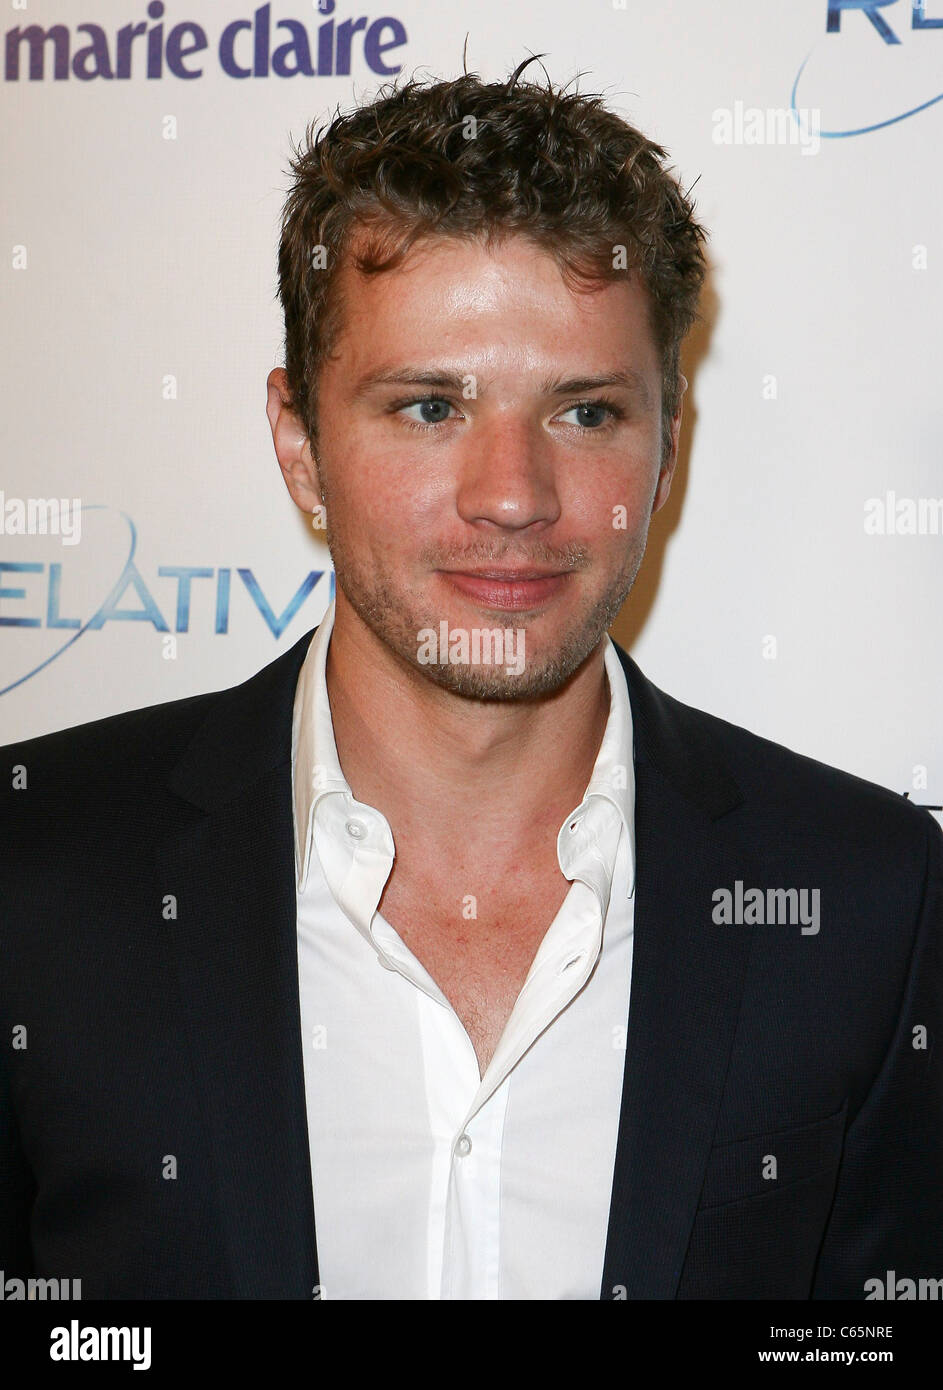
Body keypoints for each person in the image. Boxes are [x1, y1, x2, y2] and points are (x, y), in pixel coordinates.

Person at [1, 58, 940, 1301]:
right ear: (300, 447)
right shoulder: (36, 868)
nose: (513, 494)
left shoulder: (865, 898)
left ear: (667, 453)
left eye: (587, 412)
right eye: (431, 406)